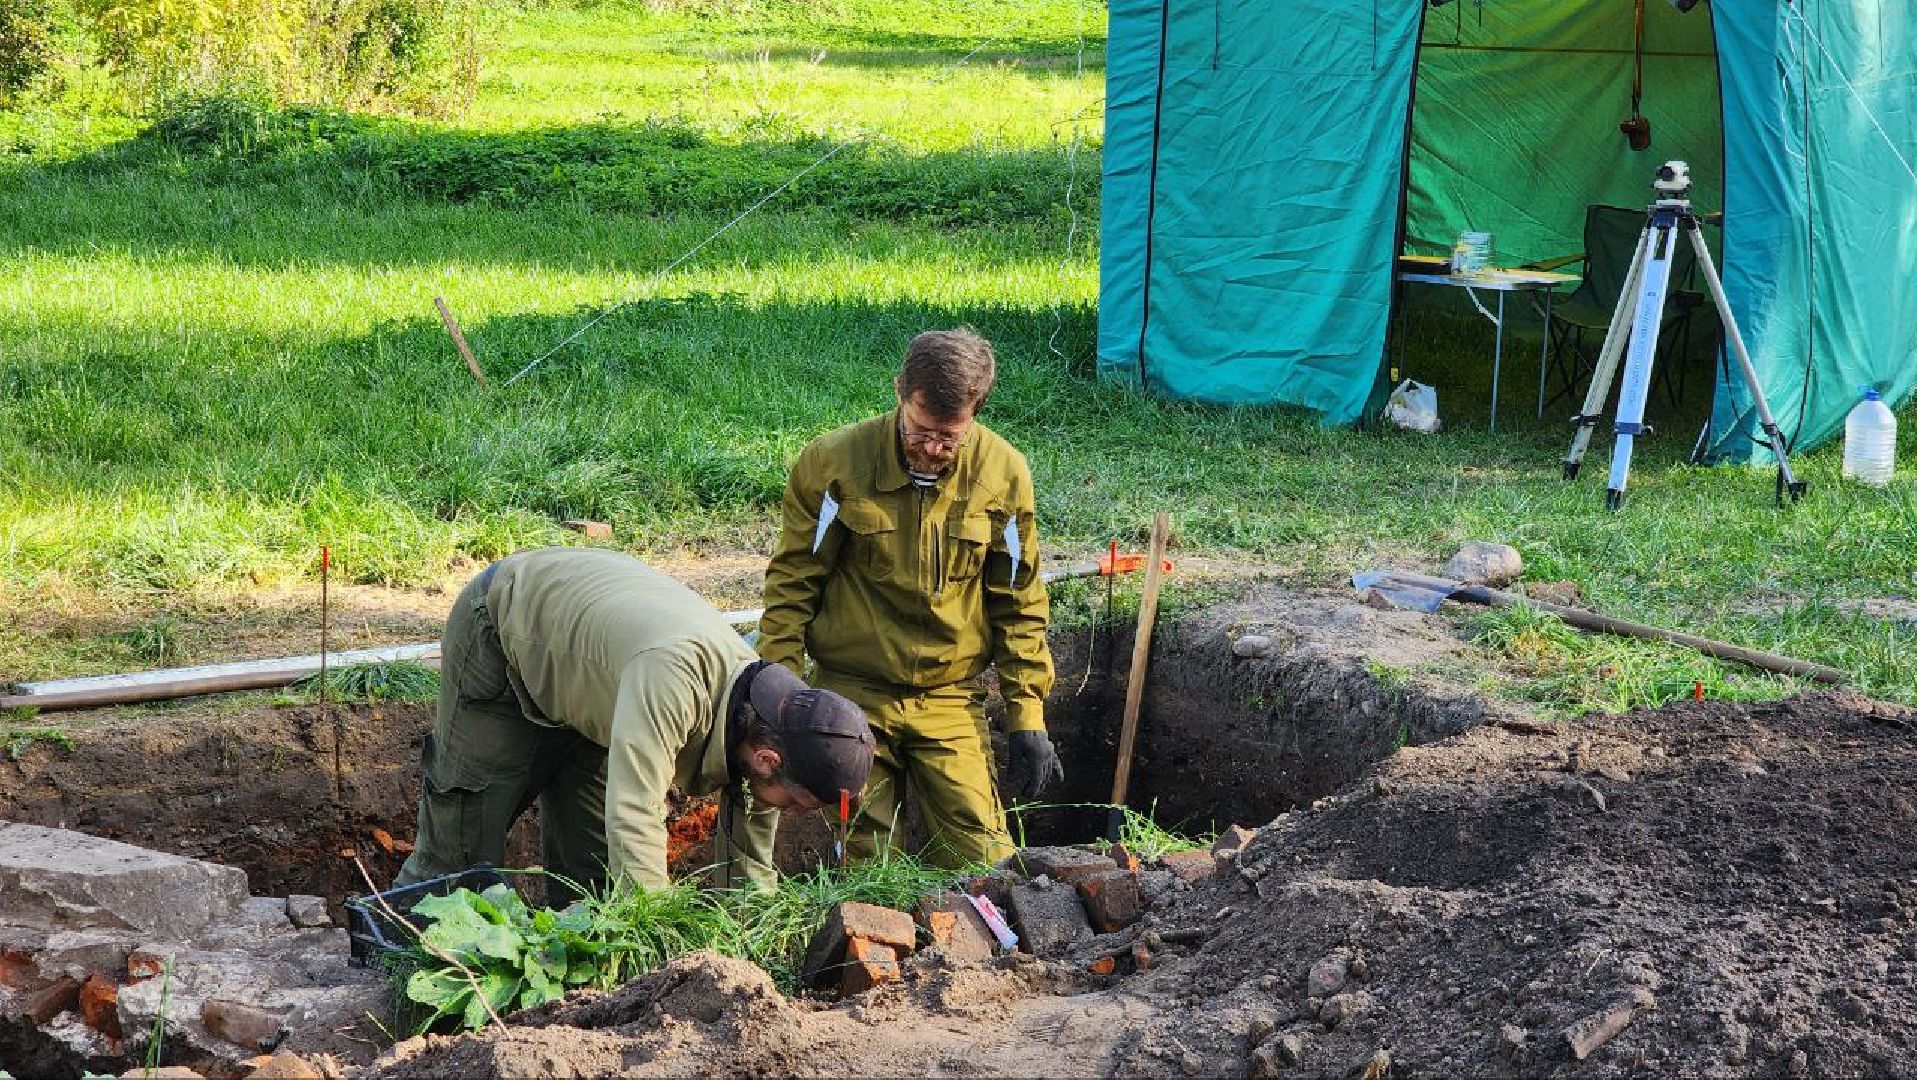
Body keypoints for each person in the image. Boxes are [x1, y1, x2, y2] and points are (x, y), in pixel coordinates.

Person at [392, 547, 875, 899]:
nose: (793, 814)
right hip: (510, 625)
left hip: (604, 670)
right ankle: (402, 954)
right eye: (798, 804)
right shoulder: (674, 680)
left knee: (594, 877)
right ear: (768, 760)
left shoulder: (776, 716)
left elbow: (750, 855)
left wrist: (754, 940)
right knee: (463, 841)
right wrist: (660, 941)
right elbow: (635, 811)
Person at [759, 328, 1058, 869]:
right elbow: (791, 586)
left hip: (949, 694)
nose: (932, 449)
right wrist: (783, 702)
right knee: (864, 861)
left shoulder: (1003, 475)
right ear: (900, 391)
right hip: (852, 694)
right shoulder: (833, 466)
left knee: (985, 861)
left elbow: (1018, 600)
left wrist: (1027, 716)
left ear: (976, 414)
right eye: (921, 430)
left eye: (950, 437)